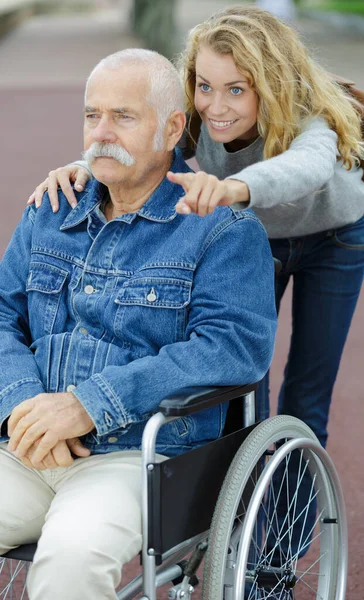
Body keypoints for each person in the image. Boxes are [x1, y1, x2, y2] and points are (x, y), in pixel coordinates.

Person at [27, 3, 364, 576]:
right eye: (204, 87)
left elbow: (303, 172)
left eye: (237, 89)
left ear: (273, 85)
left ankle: (275, 558)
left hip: (327, 244)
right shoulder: (200, 123)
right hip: (248, 236)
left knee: (304, 399)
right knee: (234, 390)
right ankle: (217, 528)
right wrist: (83, 164)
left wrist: (232, 187)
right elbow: (142, 140)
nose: (216, 105)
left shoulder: (312, 122)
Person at [0, 48, 277, 600]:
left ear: (173, 127)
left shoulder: (220, 230)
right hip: (30, 445)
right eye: (91, 115)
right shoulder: (52, 208)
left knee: (70, 563)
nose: (101, 132)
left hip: (139, 455)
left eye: (123, 117)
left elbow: (232, 350)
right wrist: (26, 406)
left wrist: (86, 405)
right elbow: (4, 315)